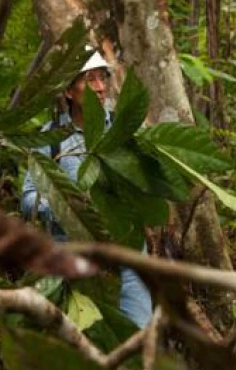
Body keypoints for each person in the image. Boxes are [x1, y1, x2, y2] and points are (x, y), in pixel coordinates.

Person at [21, 50, 153, 328]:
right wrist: (66, 205)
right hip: (75, 261)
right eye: (90, 79)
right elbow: (28, 198)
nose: (100, 87)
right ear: (69, 91)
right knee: (87, 342)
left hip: (128, 258)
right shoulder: (51, 139)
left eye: (103, 78)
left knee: (139, 337)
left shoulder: (124, 130)